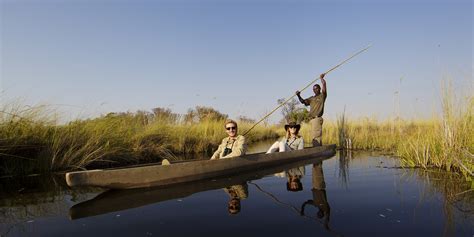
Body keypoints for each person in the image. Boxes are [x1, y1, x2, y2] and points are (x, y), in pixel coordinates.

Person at [296, 73, 327, 146]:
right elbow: (303, 102)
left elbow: (324, 85)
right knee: (314, 136)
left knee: (316, 136)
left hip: (317, 118)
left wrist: (321, 78)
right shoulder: (311, 98)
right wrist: (298, 95)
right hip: (312, 120)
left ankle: (317, 150)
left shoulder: (322, 96)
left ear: (319, 89)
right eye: (313, 89)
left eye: (316, 88)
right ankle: (318, 149)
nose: (315, 90)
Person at [300, 161, 331, 230]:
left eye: (318, 214)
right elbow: (327, 216)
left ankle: (316, 158)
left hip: (314, 186)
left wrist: (302, 210)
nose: (319, 213)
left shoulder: (315, 204)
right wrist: (326, 224)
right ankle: (319, 158)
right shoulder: (326, 208)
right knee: (318, 168)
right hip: (320, 186)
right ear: (323, 214)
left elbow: (305, 203)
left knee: (314, 168)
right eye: (320, 215)